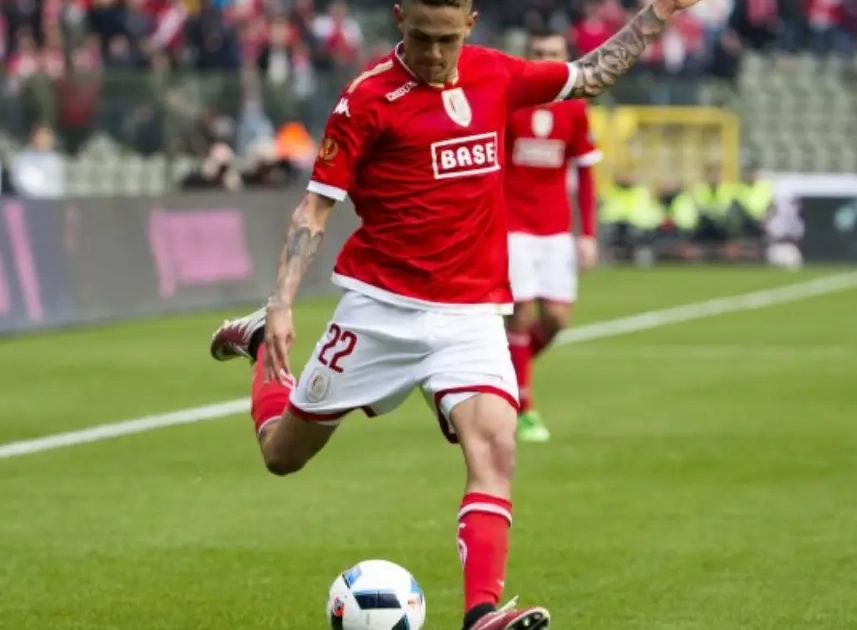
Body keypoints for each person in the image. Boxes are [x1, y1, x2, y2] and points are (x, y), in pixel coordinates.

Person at [205, 2, 705, 630]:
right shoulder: (366, 100)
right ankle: (259, 348)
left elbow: (590, 75)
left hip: (471, 313)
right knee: (283, 455)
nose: (435, 54)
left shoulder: (497, 74)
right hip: (379, 310)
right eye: (421, 38)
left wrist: (658, 12)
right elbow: (314, 210)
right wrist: (280, 303)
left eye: (447, 39)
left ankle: (481, 614)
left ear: (469, 23)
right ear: (399, 20)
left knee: (496, 446)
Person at [503, 29, 603, 443]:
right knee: (520, 312)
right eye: (539, 52)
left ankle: (503, 373)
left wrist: (588, 233)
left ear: (566, 58)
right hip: (512, 226)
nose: (547, 59)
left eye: (554, 53)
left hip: (556, 230)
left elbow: (587, 171)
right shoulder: (510, 102)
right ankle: (523, 409)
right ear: (528, 56)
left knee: (557, 319)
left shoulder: (575, 108)